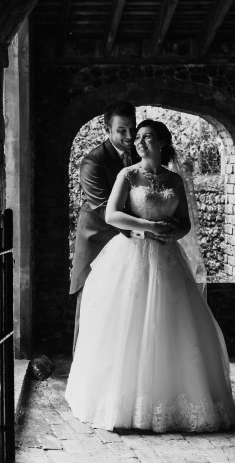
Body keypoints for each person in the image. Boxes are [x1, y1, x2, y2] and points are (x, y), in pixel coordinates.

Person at [65, 119, 235, 432]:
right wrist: (148, 228)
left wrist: (172, 233)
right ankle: (124, 404)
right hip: (132, 254)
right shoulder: (127, 175)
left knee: (173, 325)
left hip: (168, 257)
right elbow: (111, 214)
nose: (140, 142)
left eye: (148, 137)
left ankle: (170, 400)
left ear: (161, 143)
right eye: (138, 138)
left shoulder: (174, 179)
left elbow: (184, 222)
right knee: (127, 325)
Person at [69, 101, 140, 354]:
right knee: (91, 304)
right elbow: (102, 207)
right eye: (122, 130)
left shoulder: (141, 156)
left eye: (132, 128)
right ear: (107, 129)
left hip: (131, 243)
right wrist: (144, 228)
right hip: (98, 241)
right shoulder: (93, 162)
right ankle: (81, 371)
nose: (130, 136)